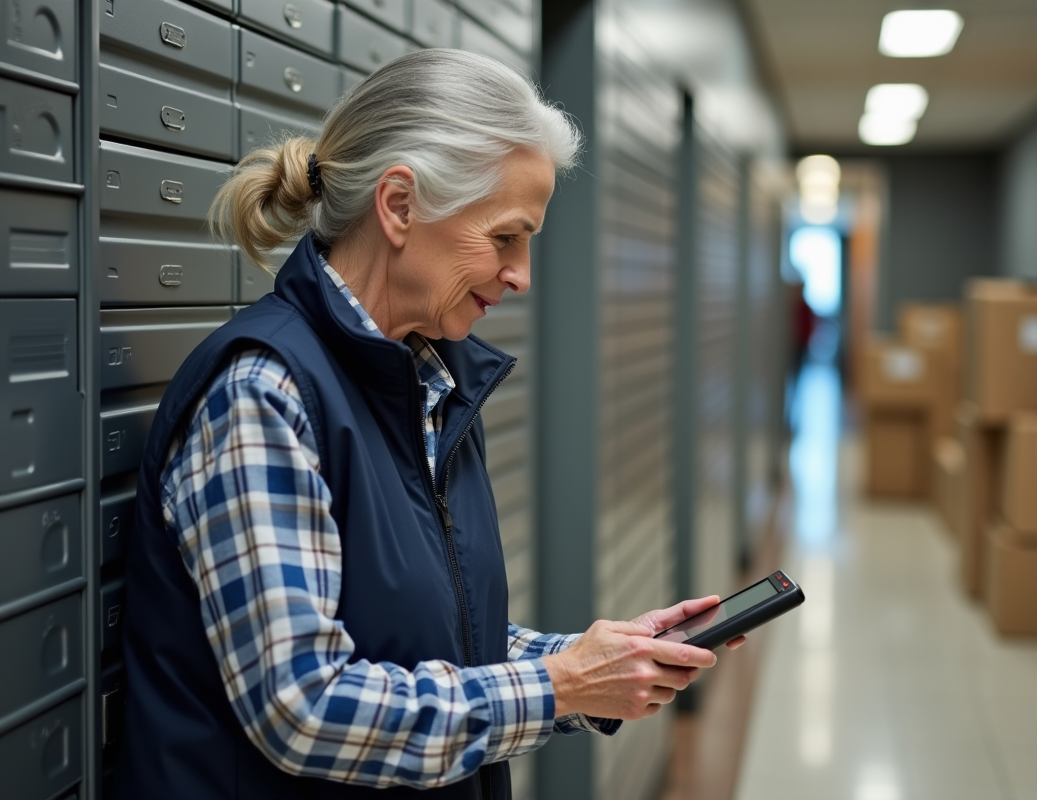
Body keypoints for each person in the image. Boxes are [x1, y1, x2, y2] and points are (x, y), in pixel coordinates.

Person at [113, 49, 741, 800]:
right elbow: (304, 707)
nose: (522, 274)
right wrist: (561, 686)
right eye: (505, 237)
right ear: (400, 205)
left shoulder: (428, 384)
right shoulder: (263, 394)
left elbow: (429, 637)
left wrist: (592, 661)